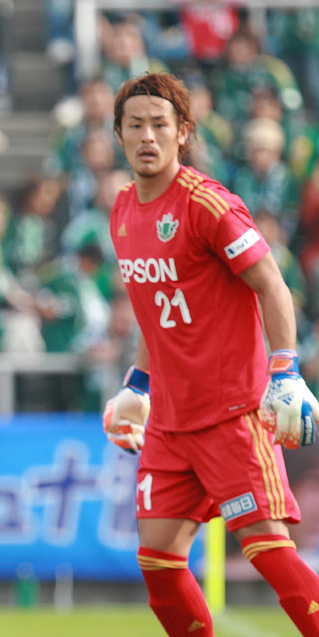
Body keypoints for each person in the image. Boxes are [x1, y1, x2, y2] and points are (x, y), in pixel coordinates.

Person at [102, 72, 319, 636]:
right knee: (158, 562)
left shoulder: (207, 205)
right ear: (118, 135)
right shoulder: (122, 210)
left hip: (231, 414)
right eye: (135, 125)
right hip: (171, 425)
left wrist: (286, 369)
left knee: (267, 548)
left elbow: (272, 284)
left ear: (183, 134)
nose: (147, 136)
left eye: (160, 125)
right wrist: (137, 385)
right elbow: (157, 307)